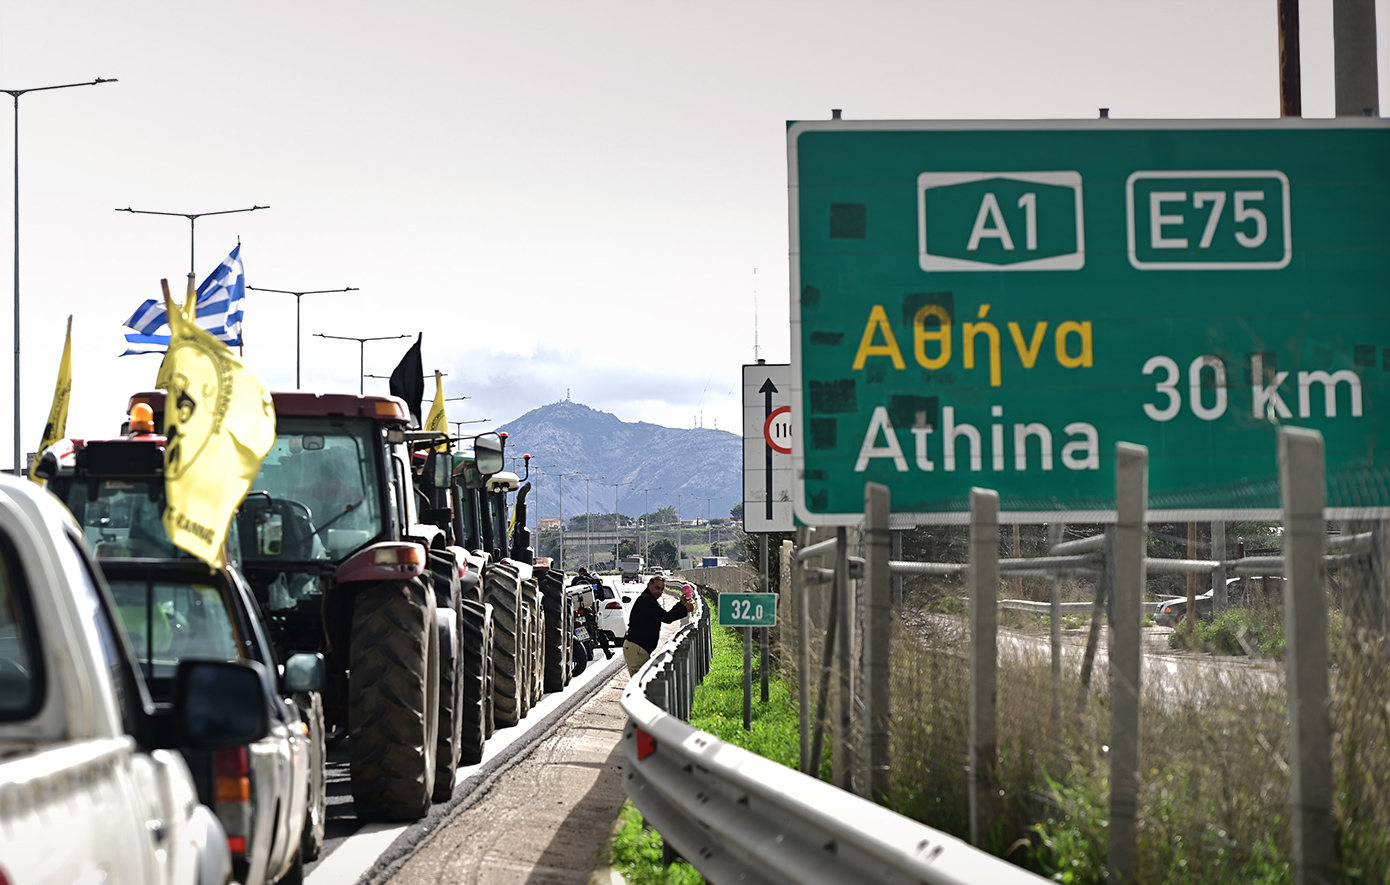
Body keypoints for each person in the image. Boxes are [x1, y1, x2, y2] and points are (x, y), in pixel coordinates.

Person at [623, 576, 694, 675]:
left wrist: (681, 604)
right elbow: (666, 618)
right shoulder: (646, 600)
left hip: (639, 648)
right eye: (657, 588)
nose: (660, 592)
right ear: (649, 585)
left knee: (645, 679)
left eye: (662, 589)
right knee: (642, 681)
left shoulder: (648, 599)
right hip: (636, 648)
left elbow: (664, 615)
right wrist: (685, 609)